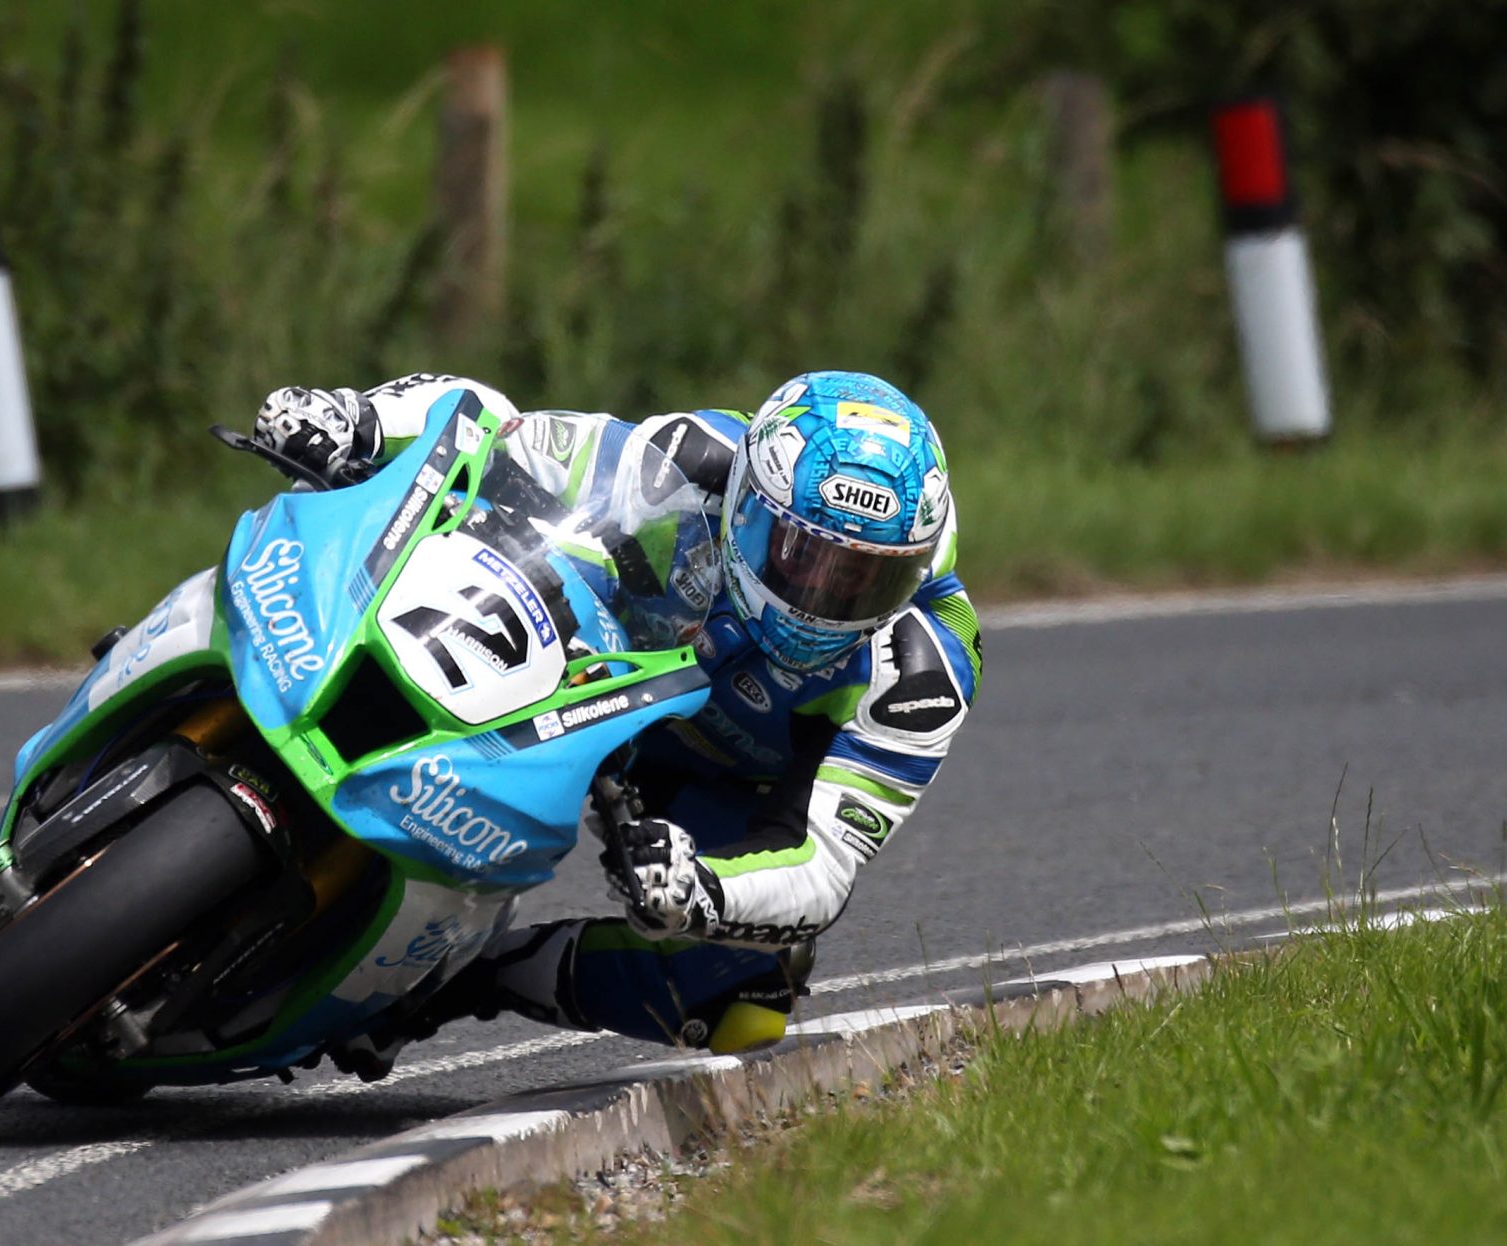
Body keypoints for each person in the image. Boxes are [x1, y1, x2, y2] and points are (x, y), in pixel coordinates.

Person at [250, 370, 981, 1067]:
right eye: (803, 555)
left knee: (742, 995)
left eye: (864, 579)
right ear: (750, 507)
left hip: (712, 798)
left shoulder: (922, 669)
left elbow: (822, 863)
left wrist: (704, 891)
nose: (825, 597)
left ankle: (471, 978)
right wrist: (365, 423)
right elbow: (496, 428)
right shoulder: (693, 461)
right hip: (590, 661)